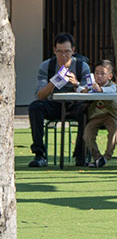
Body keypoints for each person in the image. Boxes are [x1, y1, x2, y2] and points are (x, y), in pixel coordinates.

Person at [28, 33, 93, 167]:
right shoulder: (47, 66)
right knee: (35, 107)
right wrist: (54, 82)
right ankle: (40, 154)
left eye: (67, 52)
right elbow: (40, 95)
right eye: (60, 52)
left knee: (87, 110)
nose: (63, 56)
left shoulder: (82, 67)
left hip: (76, 105)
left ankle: (81, 156)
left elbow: (90, 92)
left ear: (73, 51)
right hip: (54, 105)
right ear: (54, 51)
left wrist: (76, 84)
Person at [82, 59, 117, 168]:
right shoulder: (91, 85)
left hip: (110, 115)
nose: (99, 76)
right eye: (96, 73)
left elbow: (111, 91)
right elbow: (81, 89)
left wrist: (100, 90)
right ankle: (97, 158)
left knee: (115, 131)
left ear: (109, 76)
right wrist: (83, 91)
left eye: (102, 73)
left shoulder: (112, 86)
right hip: (95, 116)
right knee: (87, 134)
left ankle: (107, 156)